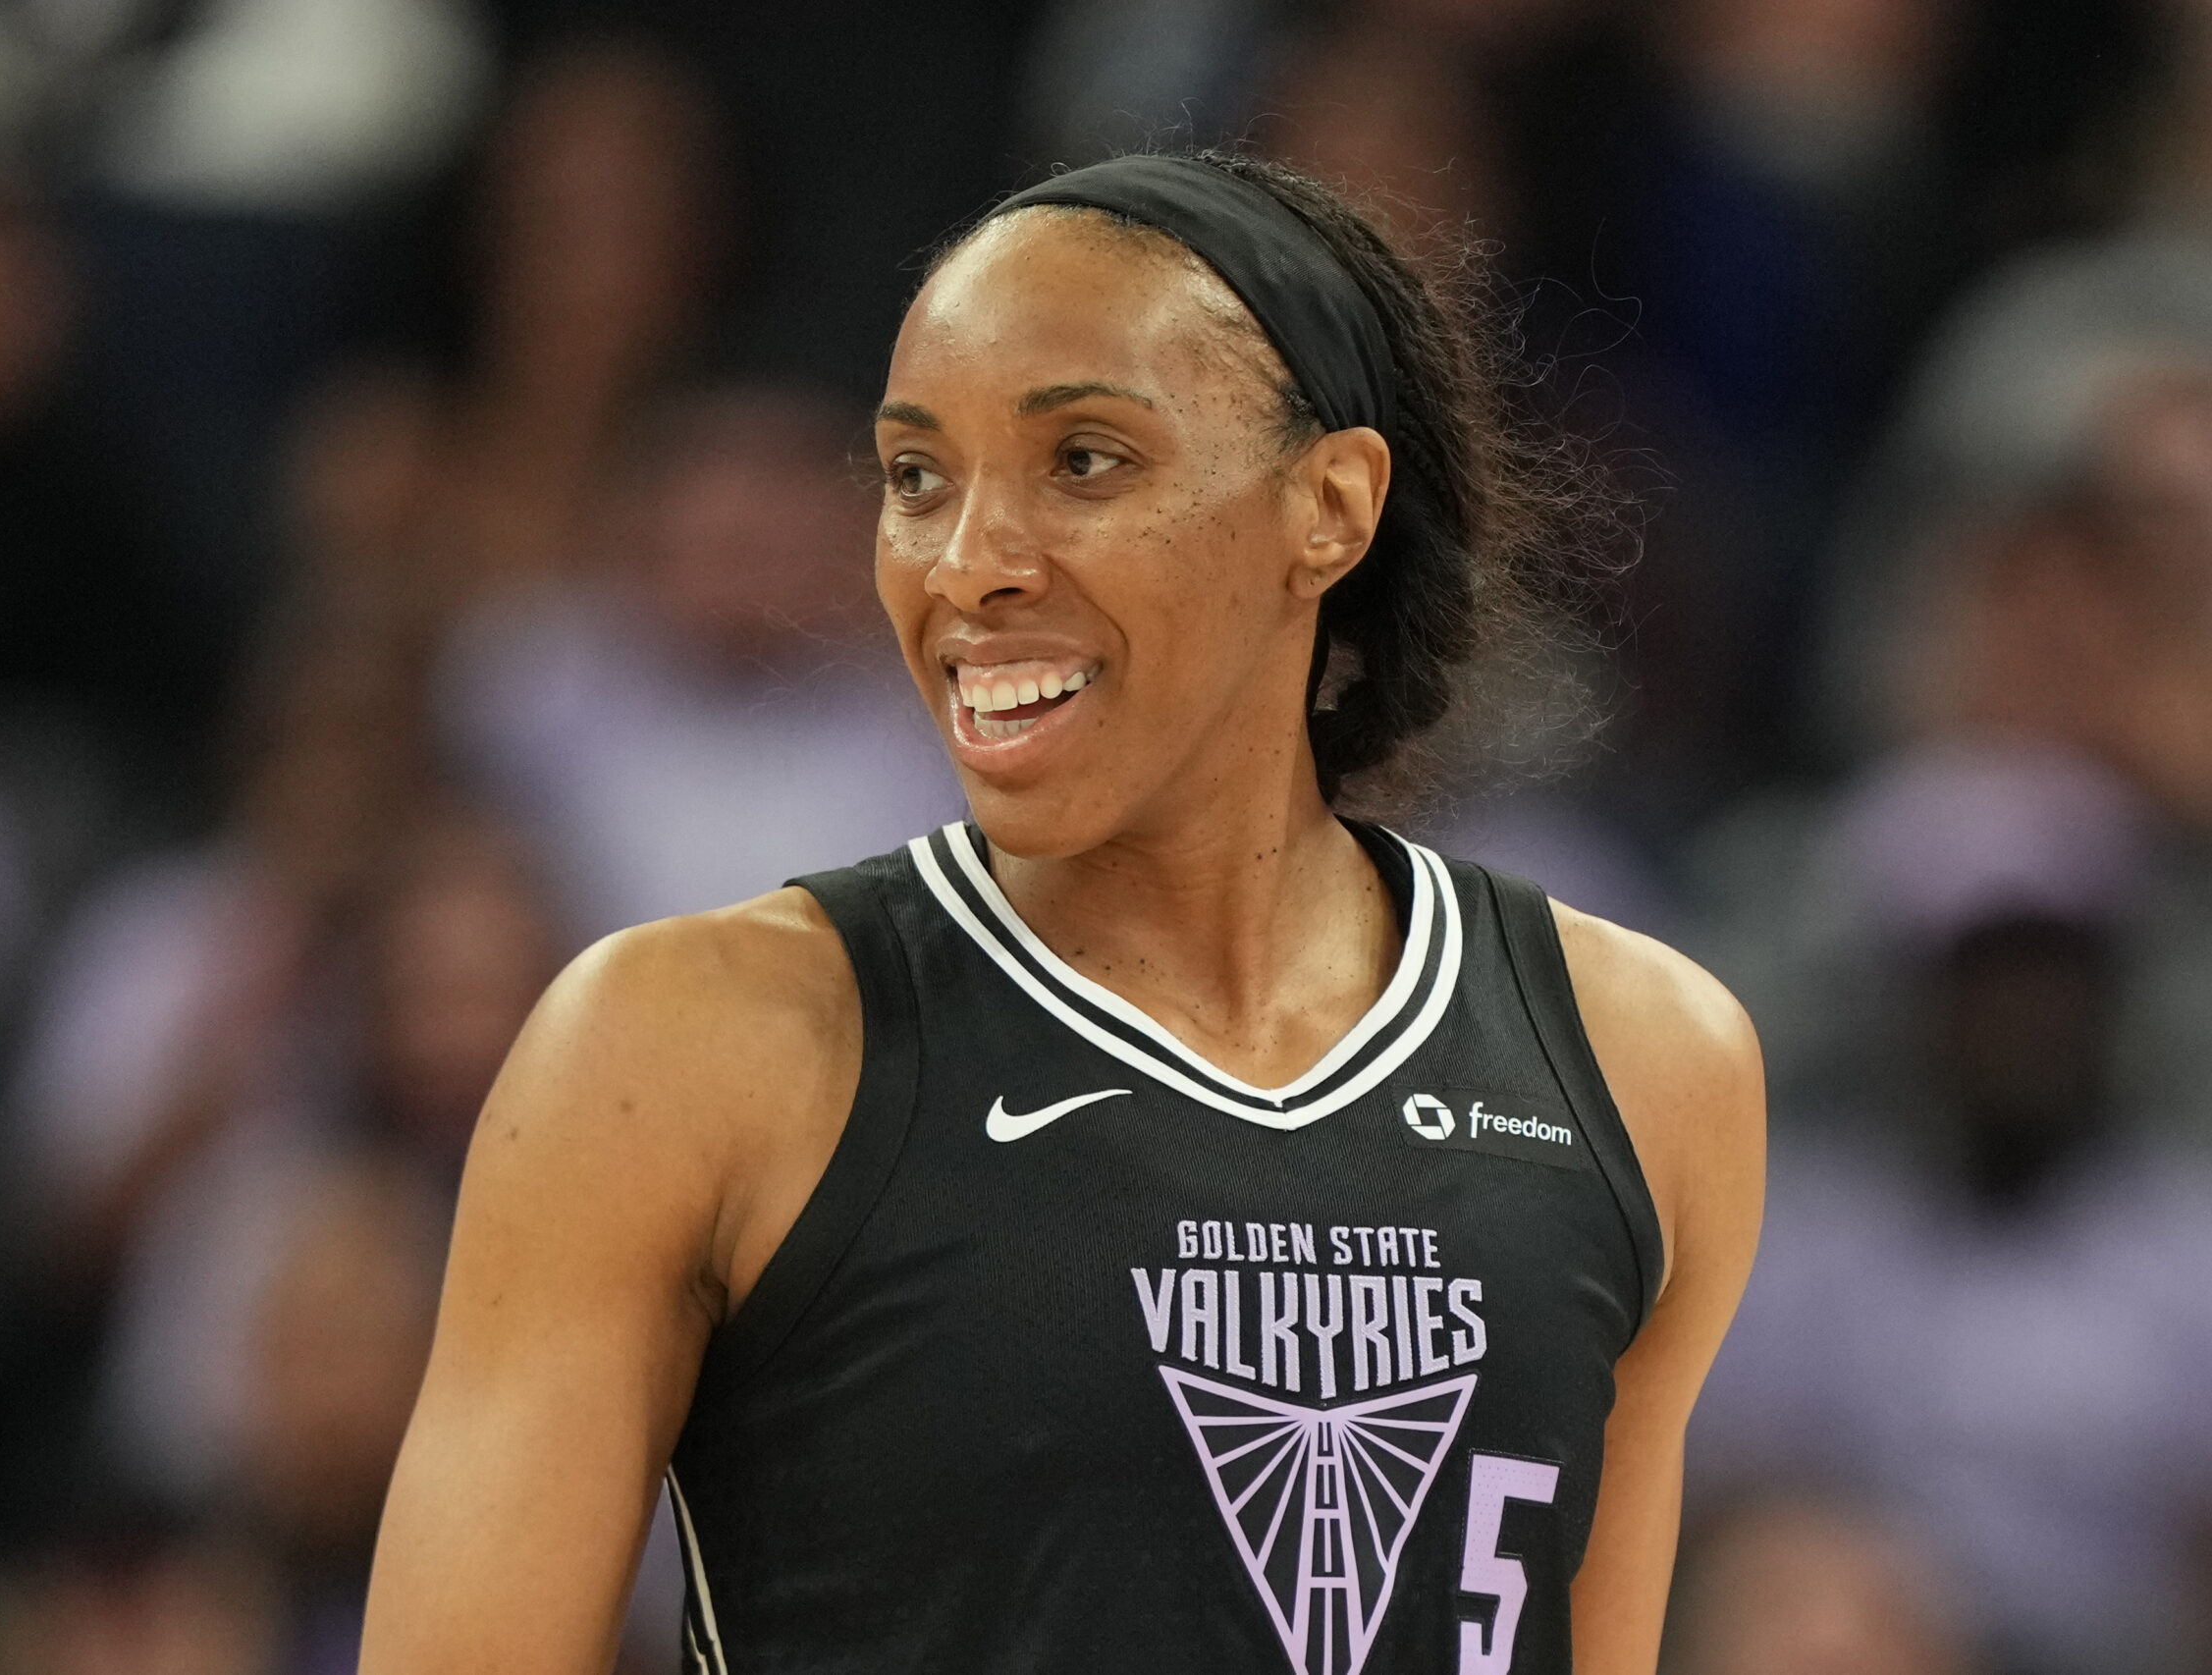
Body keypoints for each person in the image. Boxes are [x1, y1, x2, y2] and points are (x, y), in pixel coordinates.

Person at [361, 151, 1763, 1673]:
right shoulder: (689, 1045)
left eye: (1086, 461)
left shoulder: (1643, 1061)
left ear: (1331, 506)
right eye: (916, 478)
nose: (968, 565)